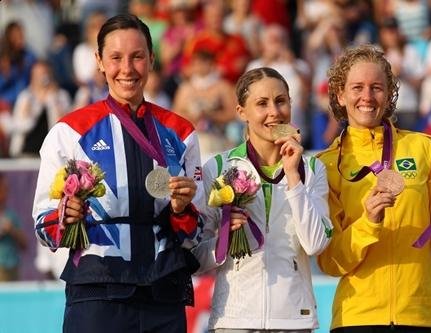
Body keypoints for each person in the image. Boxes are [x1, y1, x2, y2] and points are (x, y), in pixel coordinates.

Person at [32, 14, 204, 333]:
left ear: (152, 59)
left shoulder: (181, 133)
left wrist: (181, 211)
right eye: (115, 58)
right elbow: (43, 226)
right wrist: (65, 215)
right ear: (99, 61)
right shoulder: (69, 131)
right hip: (97, 291)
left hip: (163, 292)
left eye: (137, 56)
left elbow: (199, 232)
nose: (127, 69)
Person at [316, 45, 431, 332]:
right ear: (340, 95)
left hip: (418, 313)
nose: (367, 97)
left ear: (388, 96)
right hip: (357, 317)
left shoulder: (422, 147)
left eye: (376, 88)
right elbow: (330, 261)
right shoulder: (325, 165)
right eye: (357, 87)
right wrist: (368, 223)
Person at [192, 67, 333, 332]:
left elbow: (315, 244)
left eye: (281, 101)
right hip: (233, 319)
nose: (274, 112)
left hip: (294, 319)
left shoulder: (312, 169)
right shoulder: (218, 167)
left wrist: (293, 176)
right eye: (261, 104)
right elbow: (196, 257)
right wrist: (224, 239)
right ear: (241, 112)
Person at [0, 173, 27, 281]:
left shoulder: (10, 215)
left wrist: (12, 230)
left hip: (13, 268)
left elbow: (24, 244)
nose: (6, 193)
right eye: (3, 189)